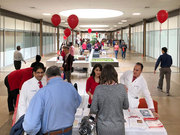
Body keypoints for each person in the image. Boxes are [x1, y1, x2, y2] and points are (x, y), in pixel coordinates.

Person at [23, 66, 81, 135]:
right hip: (68, 131)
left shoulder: (42, 93)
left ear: (46, 77)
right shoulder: (71, 87)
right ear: (61, 75)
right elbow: (78, 102)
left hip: (50, 133)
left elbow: (31, 126)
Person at [90, 64, 129, 135]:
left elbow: (93, 109)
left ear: (102, 75)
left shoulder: (98, 89)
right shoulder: (122, 88)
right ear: (115, 75)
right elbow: (126, 106)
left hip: (103, 128)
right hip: (118, 128)